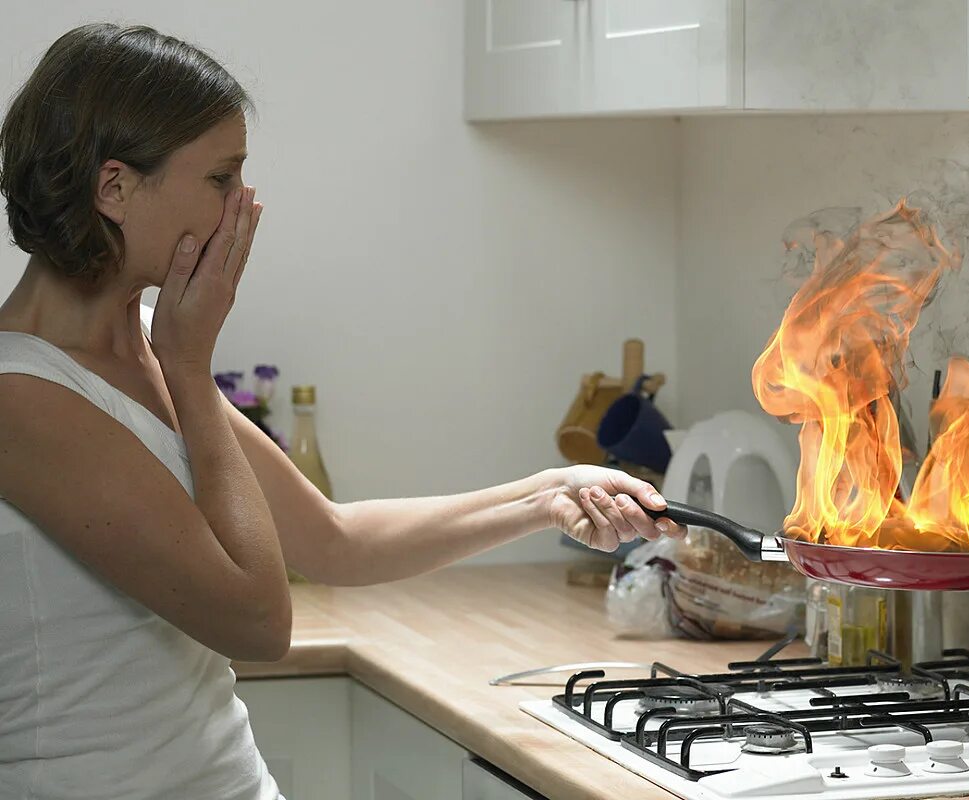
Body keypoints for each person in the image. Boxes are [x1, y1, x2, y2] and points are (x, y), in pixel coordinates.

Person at [0, 23, 685, 800]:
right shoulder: (20, 396)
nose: (242, 208)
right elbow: (258, 623)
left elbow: (332, 540)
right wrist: (192, 372)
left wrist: (542, 497)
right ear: (114, 188)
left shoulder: (148, 342)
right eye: (222, 179)